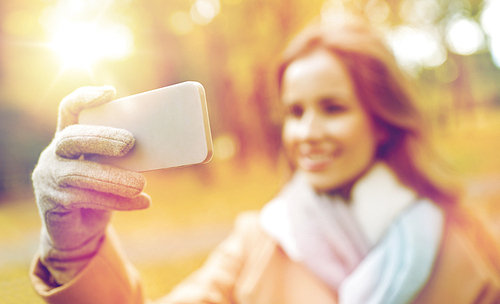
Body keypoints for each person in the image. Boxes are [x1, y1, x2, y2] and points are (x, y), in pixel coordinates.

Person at [30, 13, 500, 304]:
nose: (307, 133)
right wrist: (75, 248)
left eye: (332, 108)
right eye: (295, 111)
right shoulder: (257, 243)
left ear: (381, 121)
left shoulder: (467, 236)